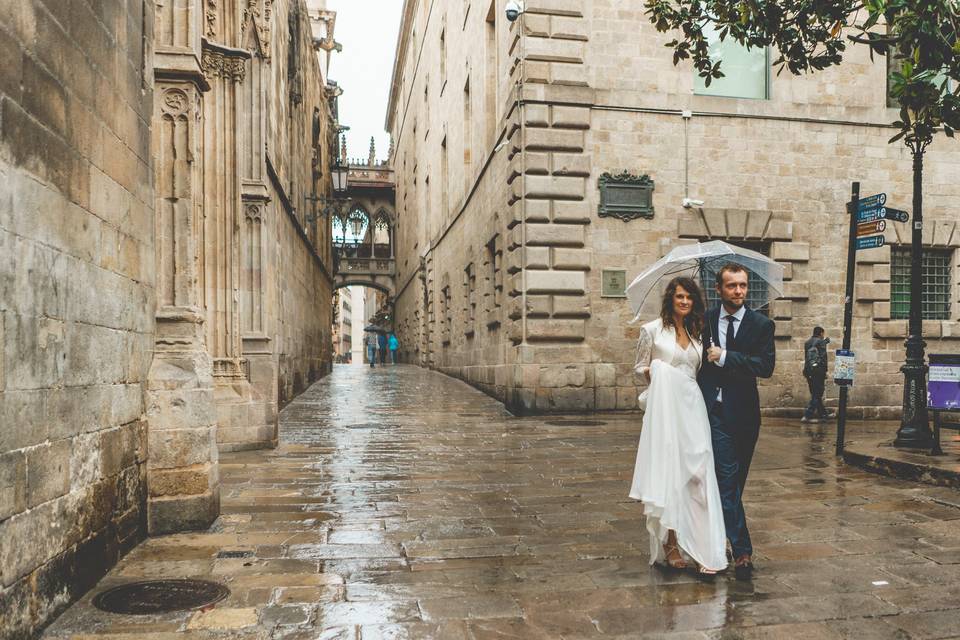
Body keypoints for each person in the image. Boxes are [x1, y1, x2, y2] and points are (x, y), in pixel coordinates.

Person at [630, 276, 727, 577]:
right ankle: (672, 543)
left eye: (689, 298)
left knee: (697, 474)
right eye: (680, 297)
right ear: (671, 298)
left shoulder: (698, 331)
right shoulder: (652, 330)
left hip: (692, 407)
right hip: (665, 410)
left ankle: (700, 544)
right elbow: (638, 366)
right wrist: (656, 374)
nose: (685, 302)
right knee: (671, 473)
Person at [698, 263, 776, 581]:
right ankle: (742, 550)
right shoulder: (704, 321)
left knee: (733, 485)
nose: (739, 292)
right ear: (719, 289)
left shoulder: (761, 325)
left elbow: (766, 366)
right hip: (713, 412)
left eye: (743, 285)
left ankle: (720, 536)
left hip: (745, 415)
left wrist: (726, 356)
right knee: (727, 481)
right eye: (732, 286)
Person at [802, 327, 835, 423]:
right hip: (818, 372)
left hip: (809, 371)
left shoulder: (807, 342)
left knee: (815, 393)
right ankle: (807, 415)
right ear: (821, 333)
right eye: (823, 333)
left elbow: (807, 358)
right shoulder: (821, 342)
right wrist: (824, 371)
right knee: (818, 393)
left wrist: (805, 371)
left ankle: (823, 414)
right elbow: (823, 358)